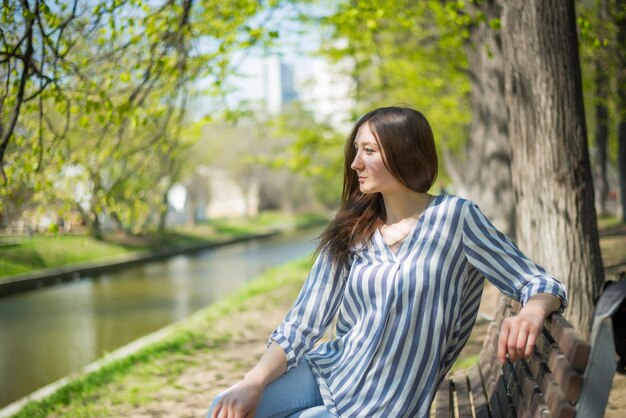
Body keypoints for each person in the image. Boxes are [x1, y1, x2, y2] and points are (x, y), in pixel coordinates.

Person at [208, 106, 568, 418]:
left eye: (368, 150)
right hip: (331, 371)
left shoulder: (456, 218)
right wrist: (253, 380)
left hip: (387, 403)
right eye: (355, 151)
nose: (355, 163)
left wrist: (532, 311)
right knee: (225, 407)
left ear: (403, 153)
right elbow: (304, 321)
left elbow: (538, 282)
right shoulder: (352, 228)